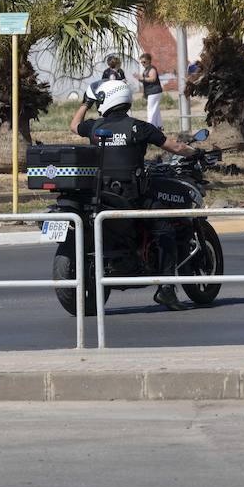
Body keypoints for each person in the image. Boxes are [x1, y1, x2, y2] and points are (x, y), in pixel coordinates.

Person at [71, 79, 200, 310]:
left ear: (104, 101)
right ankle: (167, 290)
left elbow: (73, 125)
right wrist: (195, 152)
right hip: (133, 197)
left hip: (103, 195)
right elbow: (176, 147)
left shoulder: (95, 127)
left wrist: (86, 103)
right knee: (166, 228)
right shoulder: (138, 127)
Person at [138, 52, 163, 129]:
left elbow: (153, 78)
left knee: (151, 109)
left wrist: (143, 79)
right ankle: (159, 125)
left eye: (144, 62)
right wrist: (141, 80)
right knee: (156, 109)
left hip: (154, 91)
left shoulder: (152, 68)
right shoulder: (146, 69)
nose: (142, 63)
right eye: (141, 62)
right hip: (150, 91)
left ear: (149, 60)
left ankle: (150, 126)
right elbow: (145, 81)